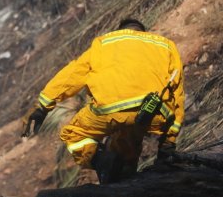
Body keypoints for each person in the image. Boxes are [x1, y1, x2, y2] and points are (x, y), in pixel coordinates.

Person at [23, 18, 185, 184]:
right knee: (128, 140)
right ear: (143, 31)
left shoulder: (104, 43)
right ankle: (124, 176)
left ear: (119, 31)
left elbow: (71, 76)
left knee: (74, 135)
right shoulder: (165, 45)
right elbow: (177, 93)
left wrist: (42, 107)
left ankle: (101, 161)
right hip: (153, 111)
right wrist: (168, 144)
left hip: (109, 109)